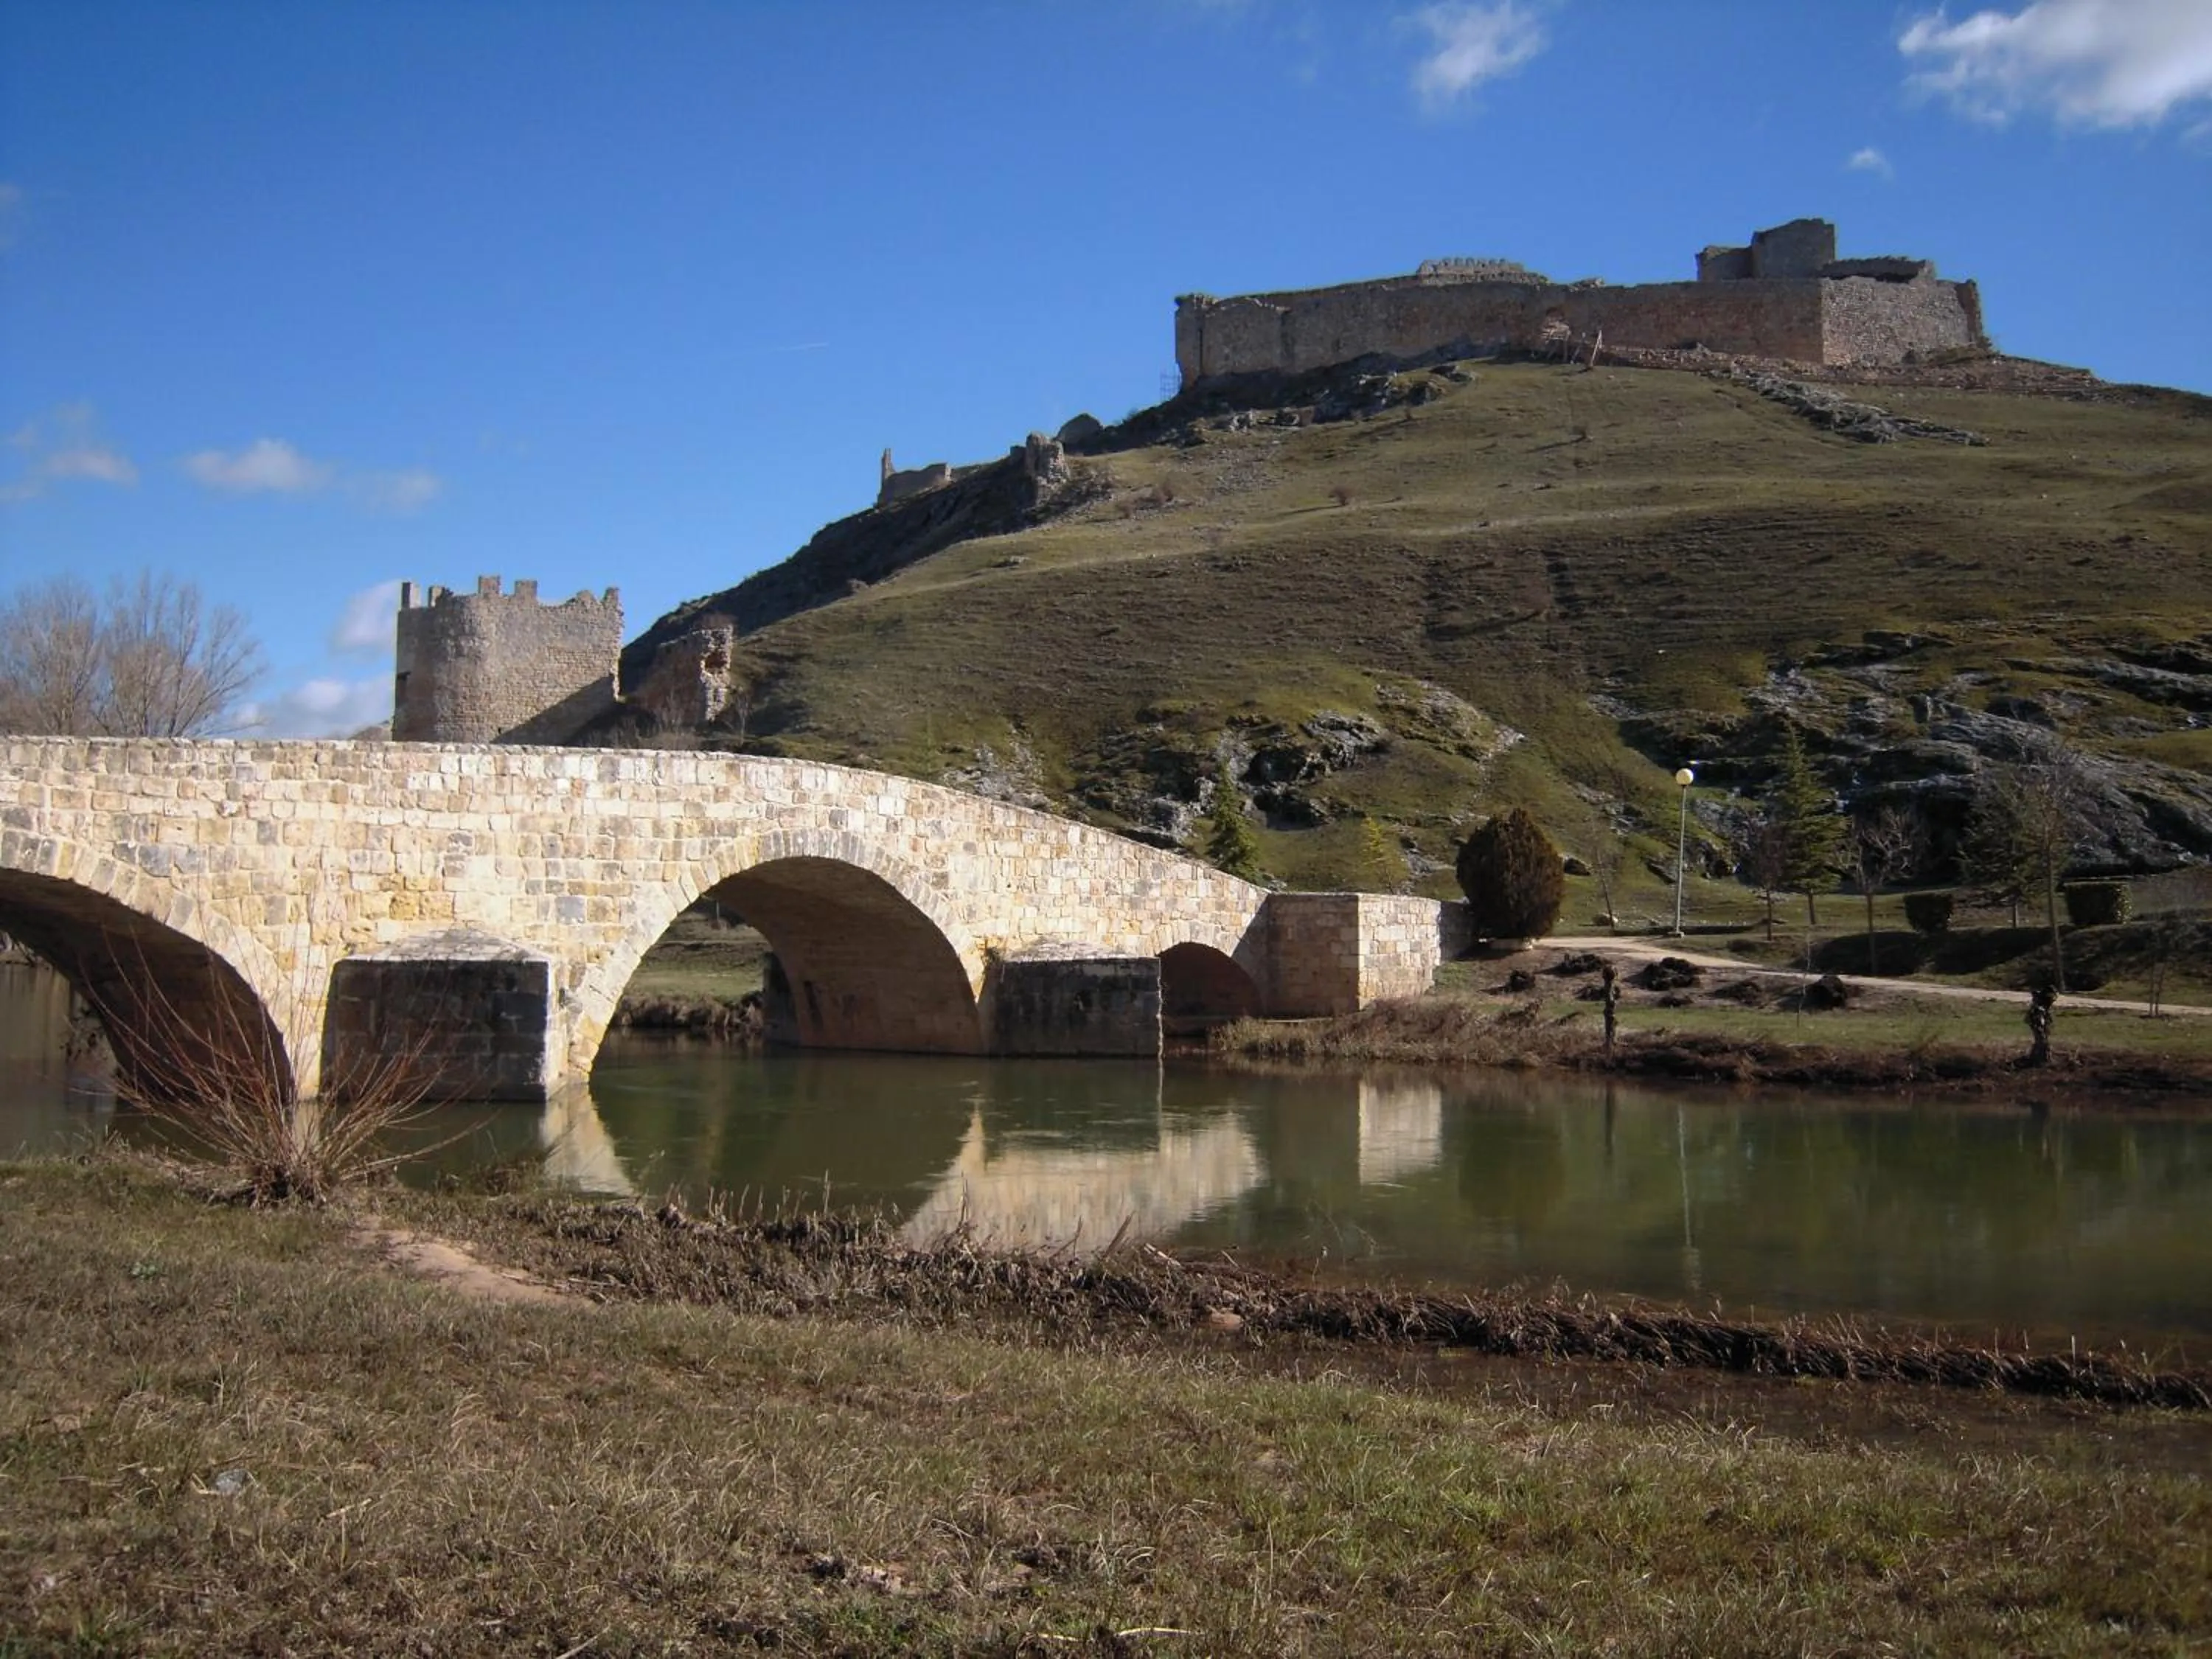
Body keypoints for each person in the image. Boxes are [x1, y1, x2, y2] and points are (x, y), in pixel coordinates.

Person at [2025, 984, 2056, 1067]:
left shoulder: (2043, 1003)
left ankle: (2036, 1058)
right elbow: (2037, 1016)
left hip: (2038, 1022)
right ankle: (2040, 1060)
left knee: (2042, 1041)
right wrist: (2040, 1026)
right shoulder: (2040, 1006)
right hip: (2037, 1022)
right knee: (2042, 1041)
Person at [1599, 963, 1620, 1053]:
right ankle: (1609, 1043)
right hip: (1609, 1010)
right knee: (1610, 1027)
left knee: (1612, 1026)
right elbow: (1609, 997)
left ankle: (1611, 1042)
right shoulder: (1608, 986)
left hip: (1610, 1010)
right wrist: (1614, 1001)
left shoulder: (1610, 985)